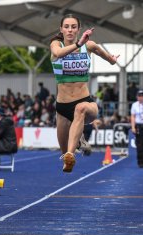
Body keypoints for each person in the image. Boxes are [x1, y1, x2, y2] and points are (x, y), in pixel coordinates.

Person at [50, 13, 119, 173]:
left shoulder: (89, 46)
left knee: (80, 109)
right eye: (66, 27)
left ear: (78, 29)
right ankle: (75, 147)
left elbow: (106, 56)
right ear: (61, 29)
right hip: (62, 108)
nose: (70, 30)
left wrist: (112, 59)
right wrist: (78, 43)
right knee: (65, 156)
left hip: (85, 102)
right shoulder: (56, 45)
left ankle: (73, 149)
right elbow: (59, 54)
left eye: (73, 27)